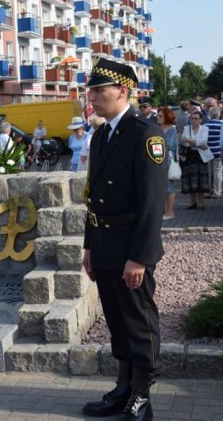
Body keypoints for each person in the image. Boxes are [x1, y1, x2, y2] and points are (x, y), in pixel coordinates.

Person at [81, 58, 167, 420]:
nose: (93, 97)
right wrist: (88, 245)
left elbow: (152, 203)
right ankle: (124, 387)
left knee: (138, 321)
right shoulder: (102, 133)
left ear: (123, 90)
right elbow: (93, 194)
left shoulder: (146, 133)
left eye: (100, 90)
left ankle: (142, 397)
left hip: (130, 247)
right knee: (117, 321)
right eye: (92, 90)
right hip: (104, 244)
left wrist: (140, 257)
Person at [180, 110, 210, 210]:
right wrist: (198, 143)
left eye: (196, 118)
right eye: (192, 118)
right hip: (189, 156)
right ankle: (192, 202)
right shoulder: (186, 128)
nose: (193, 120)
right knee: (189, 179)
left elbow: (204, 141)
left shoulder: (205, 128)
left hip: (200, 157)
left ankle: (201, 202)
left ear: (201, 120)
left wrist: (189, 140)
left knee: (201, 180)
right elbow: (184, 143)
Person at [158, 107, 178, 220]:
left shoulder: (172, 130)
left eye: (160, 116)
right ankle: (164, 210)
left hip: (168, 160)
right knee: (161, 186)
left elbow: (171, 145)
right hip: (158, 159)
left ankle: (170, 212)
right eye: (158, 116)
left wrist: (159, 144)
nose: (158, 118)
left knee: (169, 187)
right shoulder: (157, 128)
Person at [205, 106, 223, 199]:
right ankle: (217, 191)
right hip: (218, 151)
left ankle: (209, 190)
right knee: (217, 172)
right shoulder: (222, 124)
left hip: (208, 151)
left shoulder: (205, 125)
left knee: (209, 172)